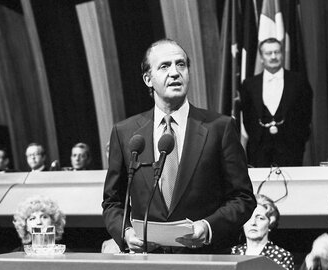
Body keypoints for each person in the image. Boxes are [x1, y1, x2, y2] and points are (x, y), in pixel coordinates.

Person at [102, 38, 255, 253]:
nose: (175, 72)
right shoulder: (125, 133)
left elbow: (243, 198)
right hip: (147, 262)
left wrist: (208, 226)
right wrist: (125, 232)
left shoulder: (219, 128)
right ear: (148, 79)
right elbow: (112, 202)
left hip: (204, 262)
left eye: (181, 64)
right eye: (164, 66)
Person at [240, 38, 312, 168]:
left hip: (292, 150)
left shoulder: (299, 82)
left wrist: (297, 140)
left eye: (277, 52)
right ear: (261, 58)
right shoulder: (249, 85)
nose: (273, 56)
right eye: (268, 53)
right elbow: (247, 118)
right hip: (259, 151)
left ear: (282, 54)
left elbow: (306, 115)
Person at [231, 194, 294, 270]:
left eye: (260, 218)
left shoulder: (282, 256)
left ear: (270, 223)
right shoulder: (233, 253)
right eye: (248, 218)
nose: (253, 223)